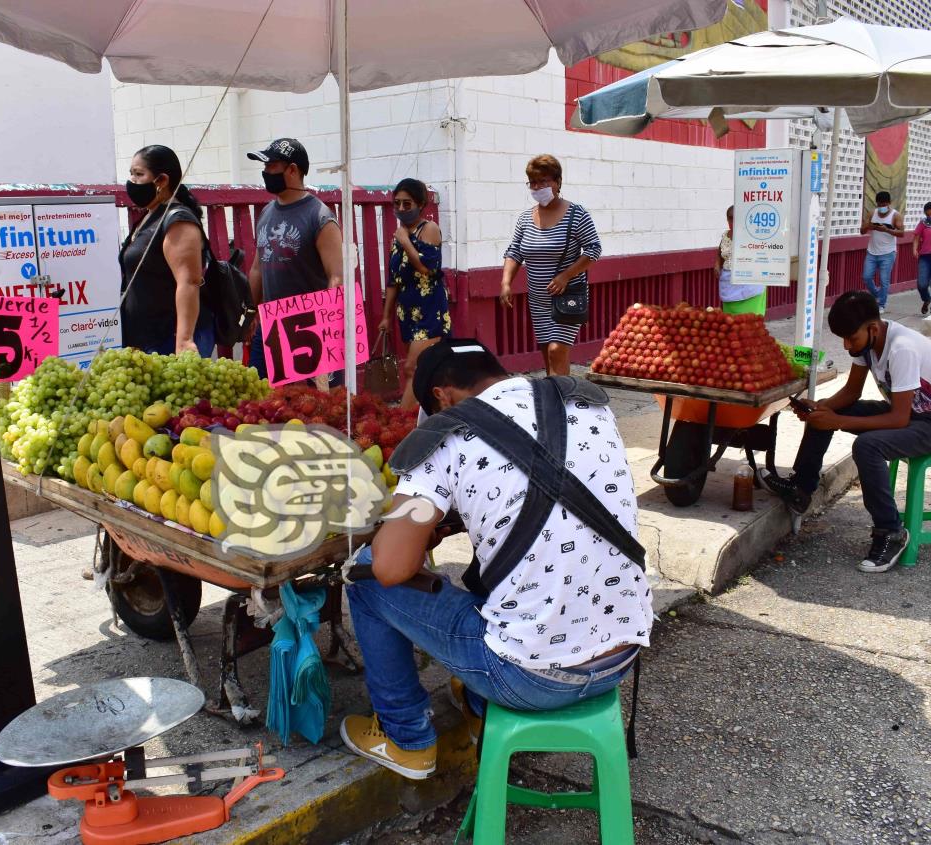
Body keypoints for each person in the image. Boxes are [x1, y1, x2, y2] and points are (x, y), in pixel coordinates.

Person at [340, 338, 652, 780]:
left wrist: (408, 506)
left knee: (366, 577)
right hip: (620, 657)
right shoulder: (586, 405)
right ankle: (476, 700)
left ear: (441, 396)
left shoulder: (446, 436)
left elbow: (391, 567)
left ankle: (407, 740)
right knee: (513, 564)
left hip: (531, 679)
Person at [760, 291, 931, 574]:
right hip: (914, 417)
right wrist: (822, 408)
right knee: (822, 416)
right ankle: (802, 488)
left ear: (872, 328)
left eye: (851, 338)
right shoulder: (867, 344)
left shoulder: (901, 348)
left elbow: (897, 418)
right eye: (843, 339)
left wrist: (835, 420)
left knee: (867, 446)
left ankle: (891, 532)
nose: (847, 346)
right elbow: (851, 392)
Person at [245, 138, 343, 381]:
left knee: (310, 407)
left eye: (271, 166)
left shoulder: (319, 216)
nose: (266, 172)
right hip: (269, 327)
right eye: (265, 167)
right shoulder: (266, 212)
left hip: (307, 331)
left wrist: (328, 331)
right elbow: (258, 268)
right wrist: (249, 313)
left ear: (292, 170)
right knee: (260, 399)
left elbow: (336, 277)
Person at [501, 155, 602, 377]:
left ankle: (564, 401)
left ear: (557, 182)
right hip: (538, 300)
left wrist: (566, 275)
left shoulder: (577, 214)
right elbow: (514, 251)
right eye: (533, 183)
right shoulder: (525, 219)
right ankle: (556, 397)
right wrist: (506, 282)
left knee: (557, 350)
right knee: (548, 353)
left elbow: (594, 249)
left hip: (567, 297)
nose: (538, 187)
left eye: (544, 181)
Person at [119, 144, 215, 356]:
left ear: (161, 180)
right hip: (146, 337)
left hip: (169, 339)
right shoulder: (149, 216)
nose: (132, 182)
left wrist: (184, 340)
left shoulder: (178, 220)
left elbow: (189, 281)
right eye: (131, 174)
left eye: (139, 174)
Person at [378, 178, 452, 408]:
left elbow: (426, 268)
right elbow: (394, 280)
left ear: (421, 204)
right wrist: (386, 316)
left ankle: (403, 419)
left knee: (414, 366)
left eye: (407, 204)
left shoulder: (428, 229)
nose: (401, 209)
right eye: (397, 204)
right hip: (408, 311)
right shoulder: (399, 235)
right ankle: (434, 412)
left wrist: (405, 241)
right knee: (429, 367)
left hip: (429, 309)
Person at [715, 205, 767, 315]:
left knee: (751, 320)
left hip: (749, 283)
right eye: (730, 218)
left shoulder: (752, 234)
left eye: (736, 218)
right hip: (729, 283)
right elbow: (720, 252)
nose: (733, 221)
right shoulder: (725, 236)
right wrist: (717, 264)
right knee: (732, 322)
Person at [860, 191, 903, 310]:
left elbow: (901, 233)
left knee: (884, 280)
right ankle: (877, 294)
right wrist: (869, 226)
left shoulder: (895, 215)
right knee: (866, 276)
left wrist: (887, 230)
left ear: (889, 203)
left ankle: (881, 304)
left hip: (888, 253)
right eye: (879, 205)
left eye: (884, 204)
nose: (881, 207)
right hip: (872, 252)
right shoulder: (872, 213)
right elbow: (862, 231)